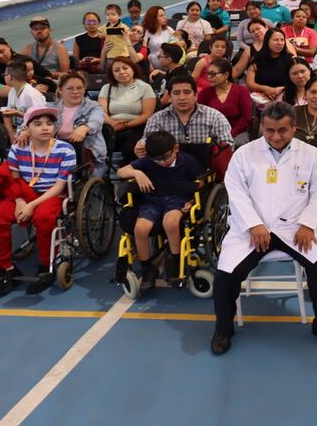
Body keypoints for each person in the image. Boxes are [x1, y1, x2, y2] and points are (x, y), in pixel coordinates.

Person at [211, 101, 317, 354]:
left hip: (295, 228)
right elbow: (236, 193)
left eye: (282, 130)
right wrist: (254, 225)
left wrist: (308, 224)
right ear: (261, 126)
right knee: (225, 275)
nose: (275, 136)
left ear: (295, 128)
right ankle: (223, 329)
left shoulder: (310, 155)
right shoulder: (244, 154)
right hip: (250, 230)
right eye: (269, 130)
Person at [0, 106, 77, 295]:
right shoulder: (18, 148)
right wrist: (19, 200)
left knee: (44, 219)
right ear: (27, 128)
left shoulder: (65, 150)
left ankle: (45, 265)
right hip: (22, 193)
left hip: (51, 194)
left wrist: (32, 205)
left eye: (49, 124)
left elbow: (59, 187)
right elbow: (14, 178)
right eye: (38, 124)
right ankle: (6, 268)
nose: (45, 128)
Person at [117, 130, 201, 289]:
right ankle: (148, 268)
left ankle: (176, 261)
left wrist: (191, 200)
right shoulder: (147, 161)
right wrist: (137, 173)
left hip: (178, 199)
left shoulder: (188, 161)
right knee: (140, 229)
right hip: (153, 201)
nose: (162, 162)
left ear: (175, 148)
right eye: (157, 159)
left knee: (170, 222)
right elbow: (121, 172)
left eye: (166, 157)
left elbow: (201, 182)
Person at [137, 75, 232, 157]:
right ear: (169, 97)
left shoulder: (214, 117)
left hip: (206, 169)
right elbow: (146, 142)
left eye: (187, 92)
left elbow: (228, 147)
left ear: (195, 95)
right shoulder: (157, 119)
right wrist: (141, 147)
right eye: (176, 93)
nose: (182, 97)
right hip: (167, 169)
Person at [50, 72, 107, 178]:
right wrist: (25, 131)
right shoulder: (51, 108)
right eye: (70, 88)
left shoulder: (93, 106)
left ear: (84, 89)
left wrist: (85, 128)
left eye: (79, 88)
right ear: (61, 90)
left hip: (88, 158)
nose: (75, 92)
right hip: (56, 156)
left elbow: (97, 121)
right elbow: (32, 122)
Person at [99, 58, 156, 162]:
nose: (121, 72)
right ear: (112, 74)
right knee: (96, 144)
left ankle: (131, 173)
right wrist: (112, 123)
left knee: (130, 149)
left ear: (133, 69)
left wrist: (126, 125)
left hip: (136, 127)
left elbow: (147, 114)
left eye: (125, 68)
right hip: (111, 126)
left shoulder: (145, 87)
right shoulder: (107, 88)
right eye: (116, 70)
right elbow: (101, 112)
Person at [198, 58, 252, 147]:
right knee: (204, 145)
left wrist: (230, 134)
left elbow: (246, 118)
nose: (209, 77)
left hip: (236, 132)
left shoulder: (242, 91)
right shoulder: (204, 93)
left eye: (213, 74)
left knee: (238, 144)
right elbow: (201, 117)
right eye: (208, 74)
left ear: (226, 74)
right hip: (212, 134)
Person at [246, 29, 294, 107]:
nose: (280, 43)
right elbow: (250, 83)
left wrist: (282, 89)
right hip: (261, 99)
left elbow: (297, 81)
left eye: (282, 40)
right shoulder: (258, 58)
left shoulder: (290, 59)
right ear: (267, 41)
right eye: (276, 40)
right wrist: (265, 89)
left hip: (285, 98)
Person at [2, 60, 46, 143]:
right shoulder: (12, 91)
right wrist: (11, 133)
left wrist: (17, 113)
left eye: (4, 75)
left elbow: (41, 118)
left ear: (10, 77)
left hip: (34, 135)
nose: (4, 77)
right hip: (18, 132)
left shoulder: (31, 94)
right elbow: (6, 114)